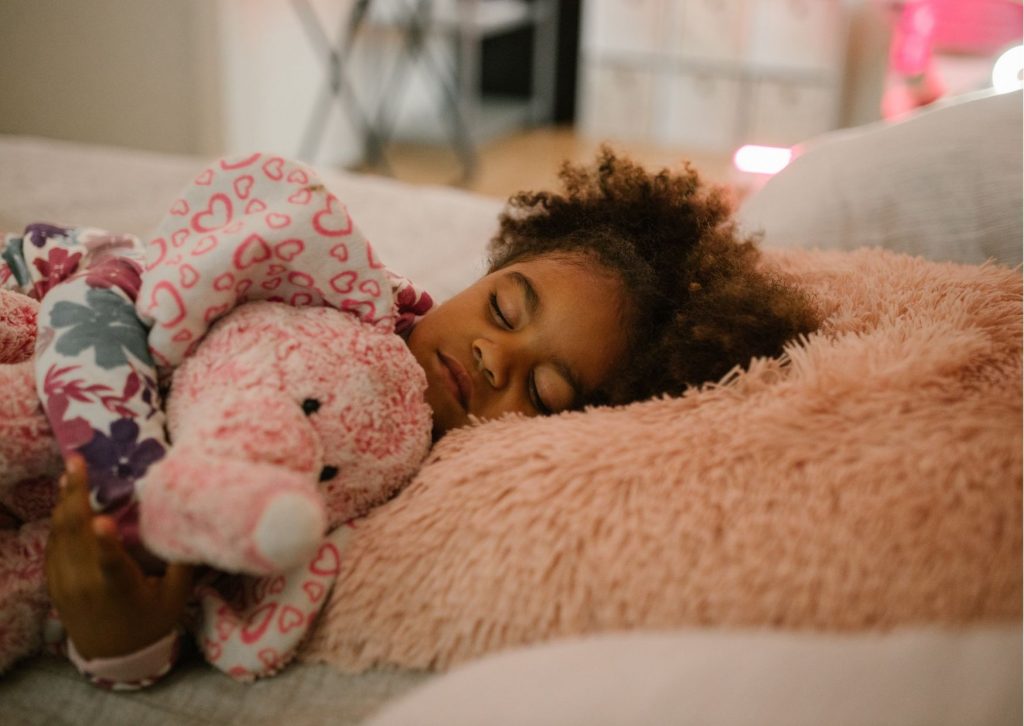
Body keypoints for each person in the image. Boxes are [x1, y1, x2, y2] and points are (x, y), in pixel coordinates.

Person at [42, 147, 820, 686]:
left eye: (543, 391)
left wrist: (122, 645)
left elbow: (231, 590)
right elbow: (178, 265)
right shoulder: (348, 290)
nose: (492, 359)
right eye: (506, 306)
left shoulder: (386, 486)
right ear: (488, 273)